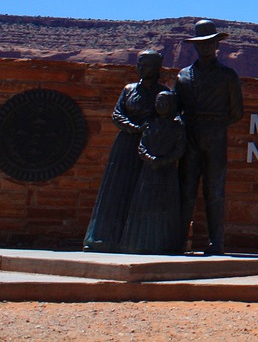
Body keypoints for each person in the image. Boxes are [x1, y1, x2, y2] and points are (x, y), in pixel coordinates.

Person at [83, 49, 167, 253]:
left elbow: (169, 117)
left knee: (142, 193)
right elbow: (117, 114)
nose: (140, 68)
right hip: (125, 146)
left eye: (145, 64)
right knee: (116, 189)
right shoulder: (129, 89)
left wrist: (151, 131)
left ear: (156, 68)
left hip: (149, 147)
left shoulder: (163, 93)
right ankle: (103, 238)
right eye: (139, 64)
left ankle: (137, 241)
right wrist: (134, 127)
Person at [175, 19, 243, 255]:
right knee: (186, 190)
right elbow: (177, 109)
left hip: (215, 138)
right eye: (200, 44)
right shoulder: (183, 76)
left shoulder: (228, 76)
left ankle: (216, 243)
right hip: (190, 138)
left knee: (215, 192)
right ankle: (179, 240)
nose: (205, 48)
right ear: (195, 46)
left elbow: (237, 112)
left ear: (216, 45)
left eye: (209, 43)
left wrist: (214, 124)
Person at [120, 90, 186, 254]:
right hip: (148, 172)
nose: (160, 106)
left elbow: (179, 149)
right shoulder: (150, 124)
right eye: (158, 102)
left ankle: (164, 243)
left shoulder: (177, 127)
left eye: (164, 103)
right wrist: (150, 158)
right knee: (143, 205)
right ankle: (138, 241)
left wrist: (164, 161)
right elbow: (142, 145)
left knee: (165, 207)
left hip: (166, 173)